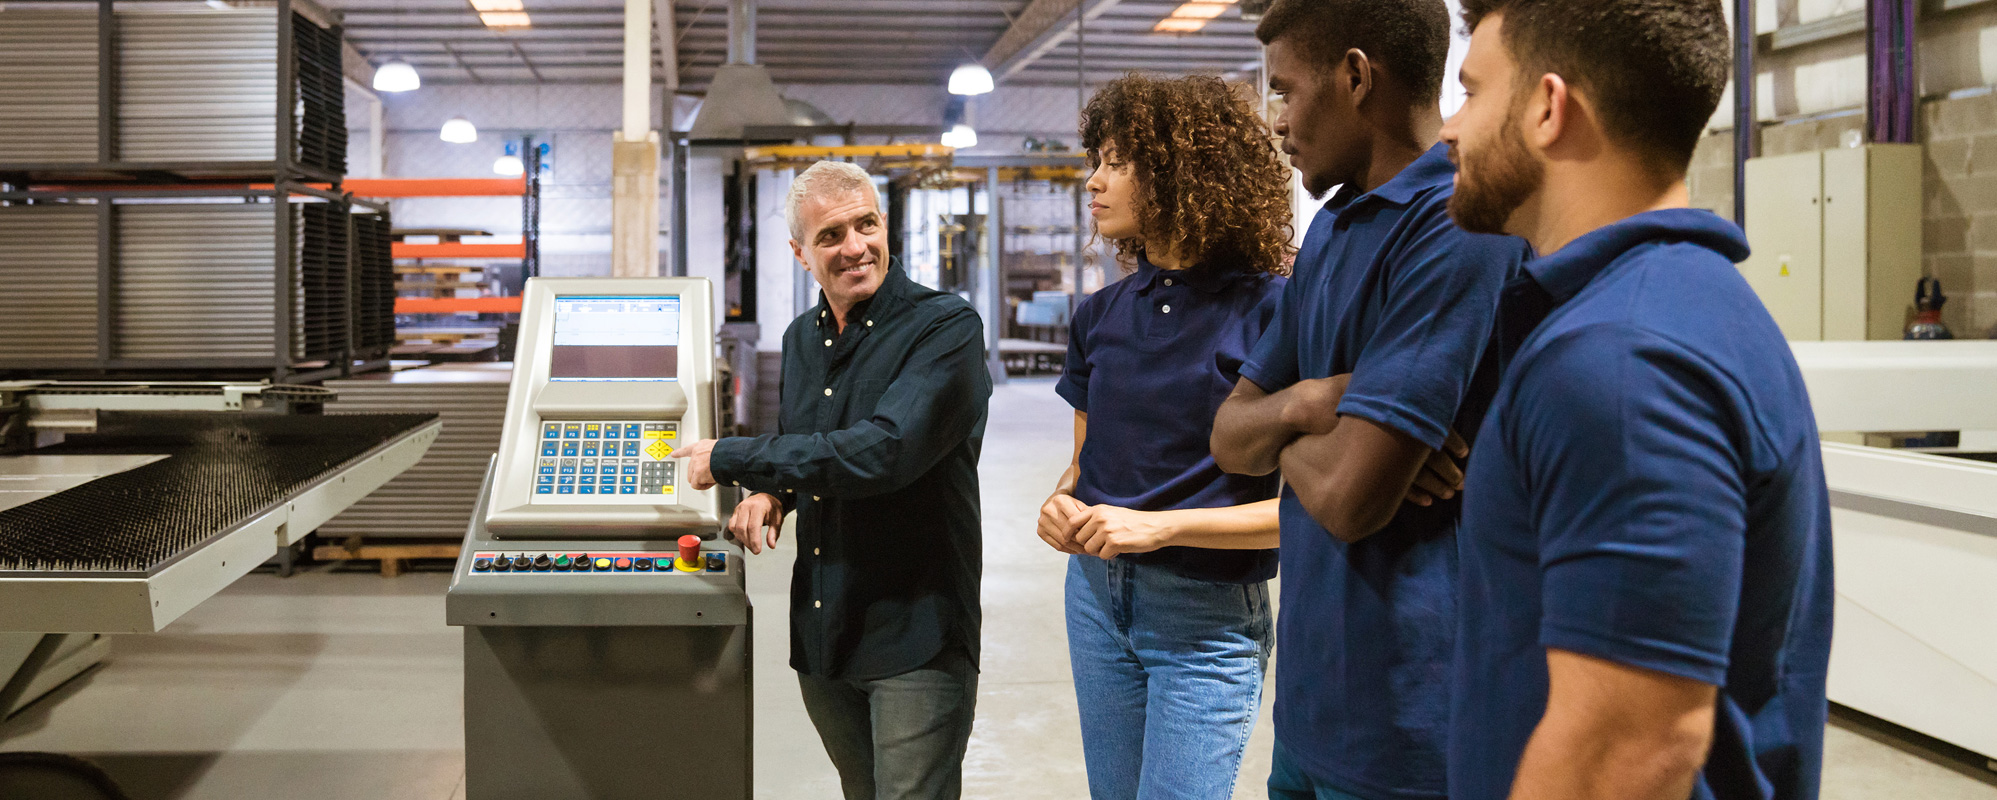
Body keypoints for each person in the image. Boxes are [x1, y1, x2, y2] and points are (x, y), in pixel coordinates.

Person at [1439, 2, 1833, 798]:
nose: (1449, 128)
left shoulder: (1619, 358)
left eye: (1473, 93)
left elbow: (1627, 749)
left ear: (1549, 108)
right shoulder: (1680, 303)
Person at [1207, 1, 1530, 798]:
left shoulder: (1458, 224)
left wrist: (1295, 431)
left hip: (1413, 728)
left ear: (1355, 77)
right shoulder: (1332, 229)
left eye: (1285, 92)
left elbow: (1353, 499)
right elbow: (1226, 437)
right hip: (1313, 711)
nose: (1277, 123)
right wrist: (1316, 404)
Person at [672, 160, 991, 800]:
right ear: (799, 253)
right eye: (830, 236)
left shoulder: (945, 329)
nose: (854, 247)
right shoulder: (800, 341)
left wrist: (735, 459)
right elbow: (811, 444)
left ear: (884, 226)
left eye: (865, 224)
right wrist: (773, 494)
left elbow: (883, 452)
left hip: (916, 631)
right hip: (826, 627)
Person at [1037, 74, 1294, 800]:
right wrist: (1061, 504)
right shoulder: (1101, 315)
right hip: (1093, 595)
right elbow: (1084, 464)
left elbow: (1300, 512)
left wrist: (1158, 528)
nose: (1094, 181)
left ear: (1182, 171)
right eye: (1097, 160)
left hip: (1205, 615)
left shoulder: (1273, 312)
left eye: (1117, 162)